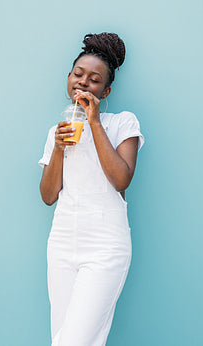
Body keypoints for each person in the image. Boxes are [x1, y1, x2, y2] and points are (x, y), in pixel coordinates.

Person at [38, 32, 144, 346]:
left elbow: (121, 180)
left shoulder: (122, 123)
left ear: (106, 90)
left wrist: (94, 121)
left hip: (105, 244)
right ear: (68, 78)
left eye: (94, 79)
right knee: (62, 337)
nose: (84, 82)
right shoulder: (56, 132)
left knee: (73, 342)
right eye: (78, 74)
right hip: (62, 241)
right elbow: (47, 196)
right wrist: (58, 147)